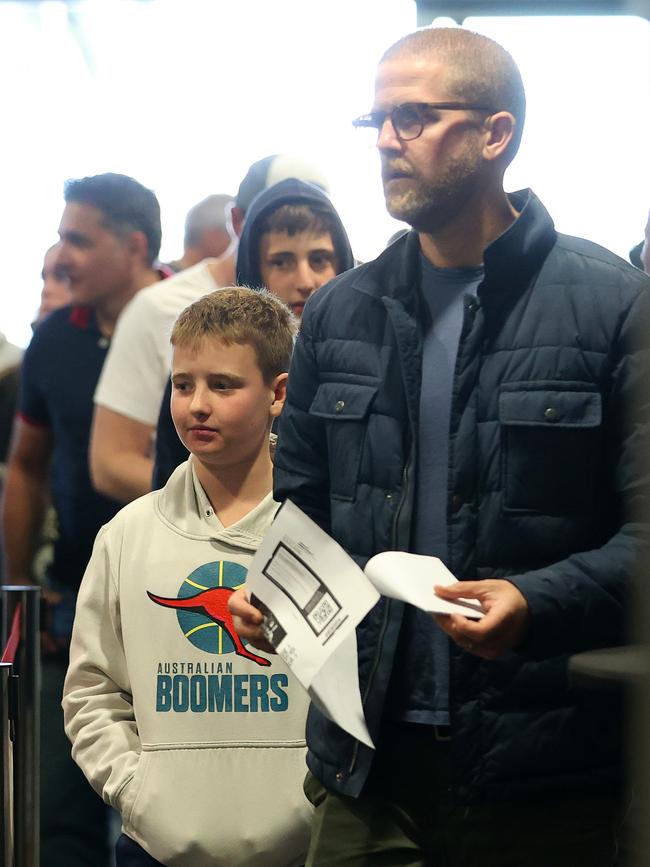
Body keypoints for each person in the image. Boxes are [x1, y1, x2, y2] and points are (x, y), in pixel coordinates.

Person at [229, 26, 650, 866]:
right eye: (377, 120)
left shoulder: (615, 306)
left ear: (496, 134)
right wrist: (270, 591)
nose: (387, 141)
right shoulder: (342, 312)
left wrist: (535, 602)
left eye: (414, 117)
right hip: (367, 762)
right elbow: (305, 506)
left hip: (541, 768)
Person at [63, 287, 311, 867]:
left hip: (306, 843)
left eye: (223, 385)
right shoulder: (126, 534)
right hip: (156, 845)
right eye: (183, 384)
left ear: (277, 393)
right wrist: (134, 789)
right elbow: (91, 689)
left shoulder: (318, 531)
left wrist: (315, 795)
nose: (197, 403)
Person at [0, 172, 165, 867]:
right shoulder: (53, 344)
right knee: (61, 817)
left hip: (171, 607)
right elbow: (27, 466)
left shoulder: (190, 325)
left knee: (160, 816)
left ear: (132, 246)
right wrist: (23, 590)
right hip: (71, 602)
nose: (60, 256)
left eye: (78, 239)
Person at [90, 155, 330, 505]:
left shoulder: (324, 312)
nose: (303, 276)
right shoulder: (159, 307)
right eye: (275, 219)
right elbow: (111, 462)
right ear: (237, 219)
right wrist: (219, 505)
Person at [152, 177, 355, 489]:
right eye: (282, 261)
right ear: (253, 268)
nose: (305, 280)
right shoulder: (200, 372)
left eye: (319, 259)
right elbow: (169, 498)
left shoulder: (367, 363)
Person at [166, 193, 235, 273]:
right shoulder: (162, 279)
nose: (235, 249)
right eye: (232, 237)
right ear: (213, 237)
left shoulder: (158, 276)